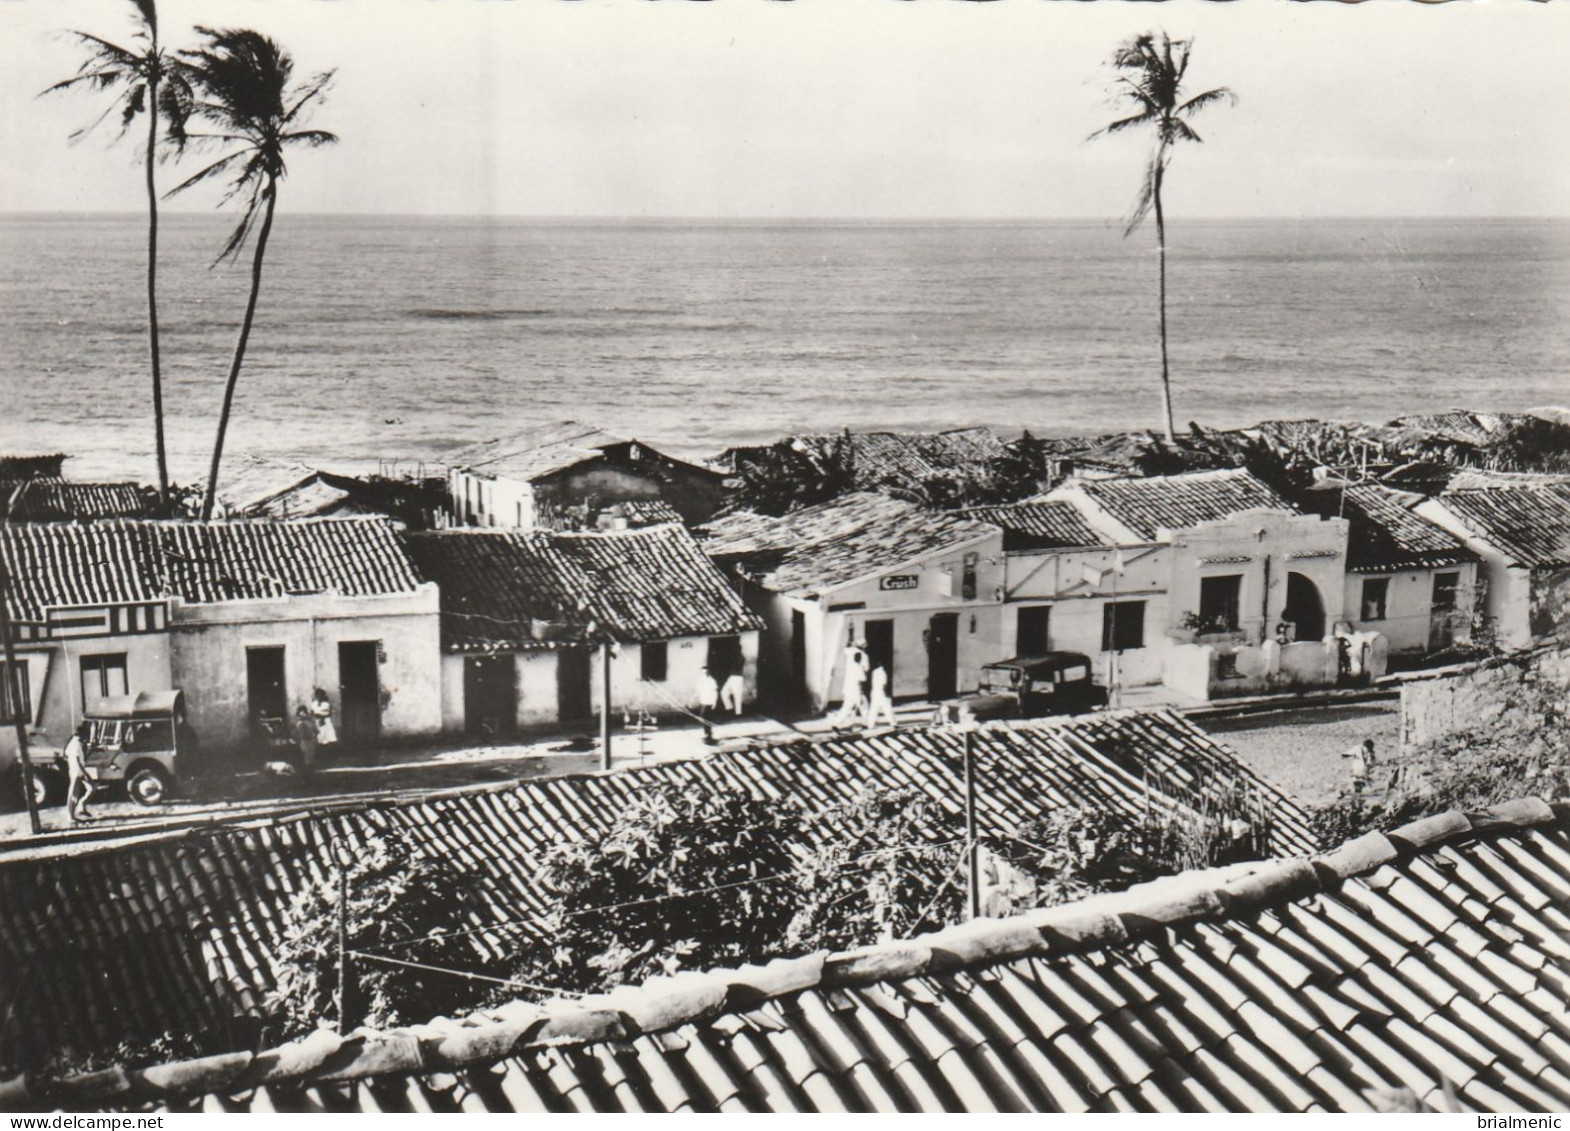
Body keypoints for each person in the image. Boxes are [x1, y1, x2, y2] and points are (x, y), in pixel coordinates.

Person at [830, 641, 870, 727]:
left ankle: (836, 723)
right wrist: (861, 693)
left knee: (846, 707)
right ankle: (867, 724)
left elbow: (847, 648)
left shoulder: (851, 658)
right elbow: (861, 681)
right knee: (864, 706)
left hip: (848, 689)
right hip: (856, 691)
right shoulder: (860, 668)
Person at [65, 722, 94, 823]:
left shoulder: (77, 742)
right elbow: (78, 762)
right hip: (76, 772)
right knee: (73, 794)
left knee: (91, 787)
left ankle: (81, 807)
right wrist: (86, 775)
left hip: (78, 772)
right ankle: (70, 816)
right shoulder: (75, 745)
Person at [864, 664, 897, 731]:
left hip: (874, 692)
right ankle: (893, 723)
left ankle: (870, 724)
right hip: (880, 692)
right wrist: (886, 694)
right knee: (887, 708)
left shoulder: (874, 671)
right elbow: (884, 684)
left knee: (873, 709)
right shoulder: (883, 673)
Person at [295, 705, 319, 780]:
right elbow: (303, 735)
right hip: (306, 742)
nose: (303, 714)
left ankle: (310, 776)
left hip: (312, 741)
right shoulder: (300, 723)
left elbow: (317, 731)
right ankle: (306, 777)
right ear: (298, 714)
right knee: (307, 760)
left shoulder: (310, 722)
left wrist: (314, 735)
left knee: (311, 759)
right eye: (301, 713)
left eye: (304, 712)